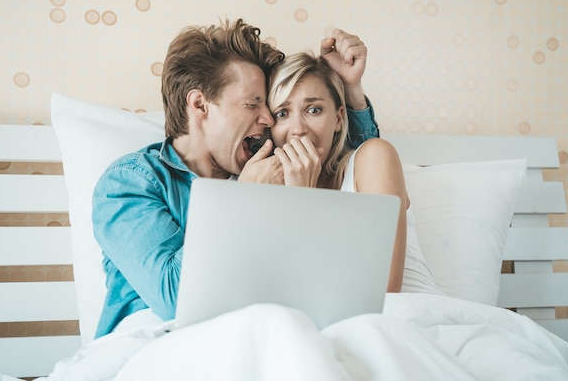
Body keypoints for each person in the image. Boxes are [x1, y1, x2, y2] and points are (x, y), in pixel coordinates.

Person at [91, 18, 380, 338]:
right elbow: (176, 299)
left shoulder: (265, 166)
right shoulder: (129, 183)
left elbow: (351, 168)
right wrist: (244, 198)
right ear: (200, 104)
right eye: (253, 104)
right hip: (154, 342)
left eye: (270, 108)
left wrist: (350, 90)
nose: (268, 118)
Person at [267, 52, 409, 293]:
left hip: (395, 316)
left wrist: (303, 199)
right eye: (282, 113)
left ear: (339, 119)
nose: (298, 129)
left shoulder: (375, 157)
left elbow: (384, 289)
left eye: (313, 110)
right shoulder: (262, 193)